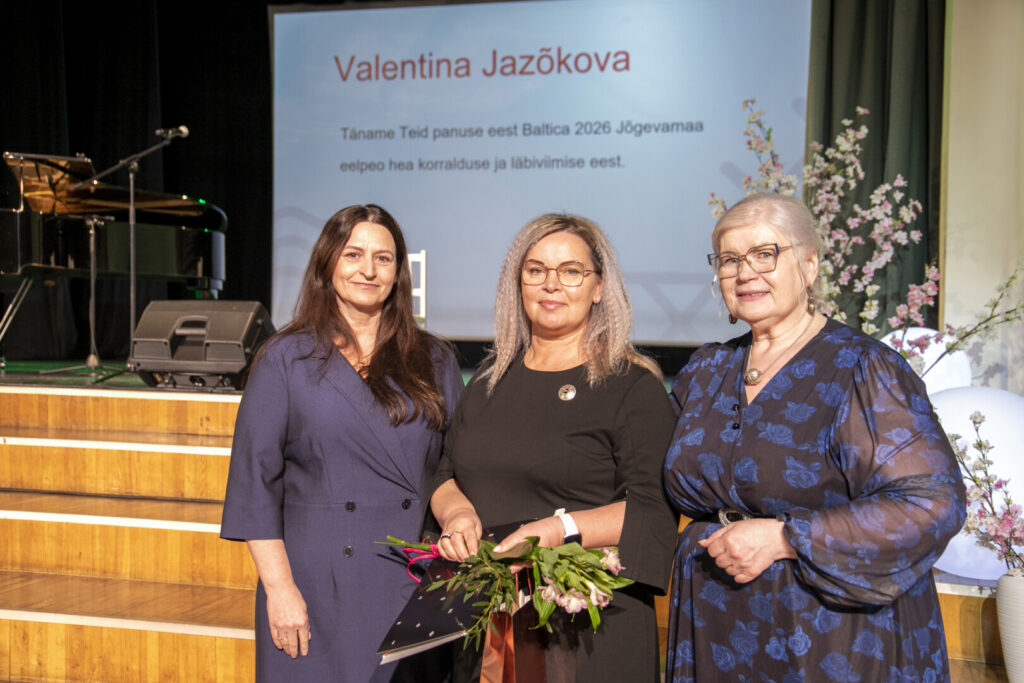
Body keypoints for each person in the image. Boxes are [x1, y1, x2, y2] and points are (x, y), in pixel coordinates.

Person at [663, 193, 967, 682]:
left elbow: (932, 504)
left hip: (834, 634)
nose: (745, 273)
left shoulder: (865, 368)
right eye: (729, 259)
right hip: (714, 618)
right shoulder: (706, 370)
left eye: (765, 254)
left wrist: (786, 538)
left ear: (809, 265)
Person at [430, 213, 678, 682]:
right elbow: (445, 473)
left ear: (598, 287)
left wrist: (556, 530)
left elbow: (652, 509)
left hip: (587, 634)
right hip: (489, 625)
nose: (551, 284)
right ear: (518, 283)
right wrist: (456, 515)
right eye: (536, 270)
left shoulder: (631, 386)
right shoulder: (487, 381)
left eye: (571, 271)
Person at [220, 204, 463, 682]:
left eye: (383, 258)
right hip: (313, 590)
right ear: (327, 263)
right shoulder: (284, 359)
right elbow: (255, 485)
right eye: (353, 255)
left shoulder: (434, 359)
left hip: (413, 586)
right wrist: (280, 590)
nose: (368, 270)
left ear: (399, 273)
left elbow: (454, 464)